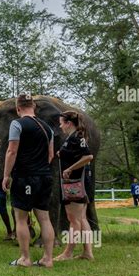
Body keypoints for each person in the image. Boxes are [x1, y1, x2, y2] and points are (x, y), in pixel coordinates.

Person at [2, 93, 55, 268]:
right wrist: (40, 168)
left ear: (18, 108)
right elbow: (50, 155)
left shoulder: (17, 124)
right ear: (34, 107)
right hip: (45, 176)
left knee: (21, 218)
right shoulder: (48, 128)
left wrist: (6, 175)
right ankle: (48, 259)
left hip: (25, 177)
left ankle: (25, 259)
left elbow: (12, 151)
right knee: (45, 219)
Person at [54, 111, 94, 261]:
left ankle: (68, 253)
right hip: (78, 182)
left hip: (76, 183)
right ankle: (87, 252)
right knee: (82, 218)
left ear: (68, 123)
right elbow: (77, 154)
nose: (60, 125)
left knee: (74, 219)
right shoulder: (73, 137)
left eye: (61, 123)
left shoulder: (76, 137)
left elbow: (88, 156)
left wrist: (70, 169)